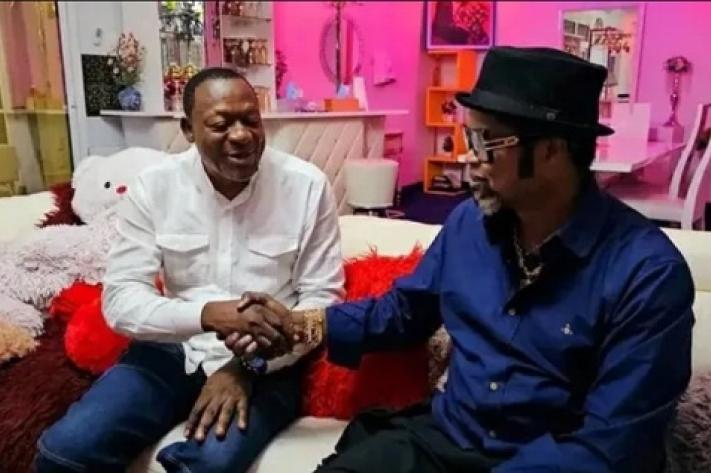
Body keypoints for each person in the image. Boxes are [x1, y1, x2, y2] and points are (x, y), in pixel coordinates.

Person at [227, 47, 695, 473]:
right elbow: (404, 312)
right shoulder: (469, 224)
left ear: (551, 151)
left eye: (487, 141)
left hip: (553, 458)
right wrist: (304, 325)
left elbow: (610, 450)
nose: (468, 158)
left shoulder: (647, 275)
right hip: (449, 439)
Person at [35, 67, 345, 473]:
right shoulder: (155, 186)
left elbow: (324, 300)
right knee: (64, 451)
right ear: (188, 130)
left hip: (268, 366)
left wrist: (247, 366)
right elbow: (121, 299)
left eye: (250, 120)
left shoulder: (306, 186)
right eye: (221, 124)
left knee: (208, 467)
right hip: (172, 351)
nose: (241, 135)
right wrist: (208, 315)